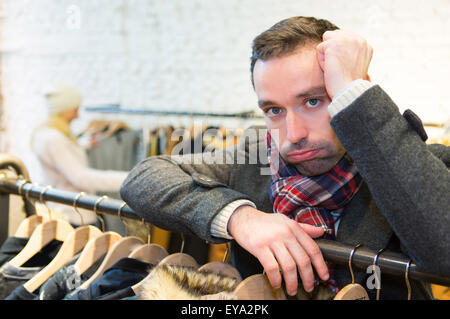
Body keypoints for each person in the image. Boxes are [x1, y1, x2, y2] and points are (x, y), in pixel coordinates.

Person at [119, 17, 450, 299]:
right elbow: (144, 178)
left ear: (351, 91)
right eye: (274, 110)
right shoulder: (253, 161)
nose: (292, 135)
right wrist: (241, 217)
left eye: (312, 101)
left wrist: (359, 102)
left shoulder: (420, 165)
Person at [31, 84, 129, 226]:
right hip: (75, 215)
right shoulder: (55, 139)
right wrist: (127, 179)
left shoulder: (44, 133)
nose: (78, 115)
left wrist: (83, 144)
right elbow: (81, 178)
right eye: (75, 109)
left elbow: (59, 157)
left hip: (65, 209)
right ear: (64, 109)